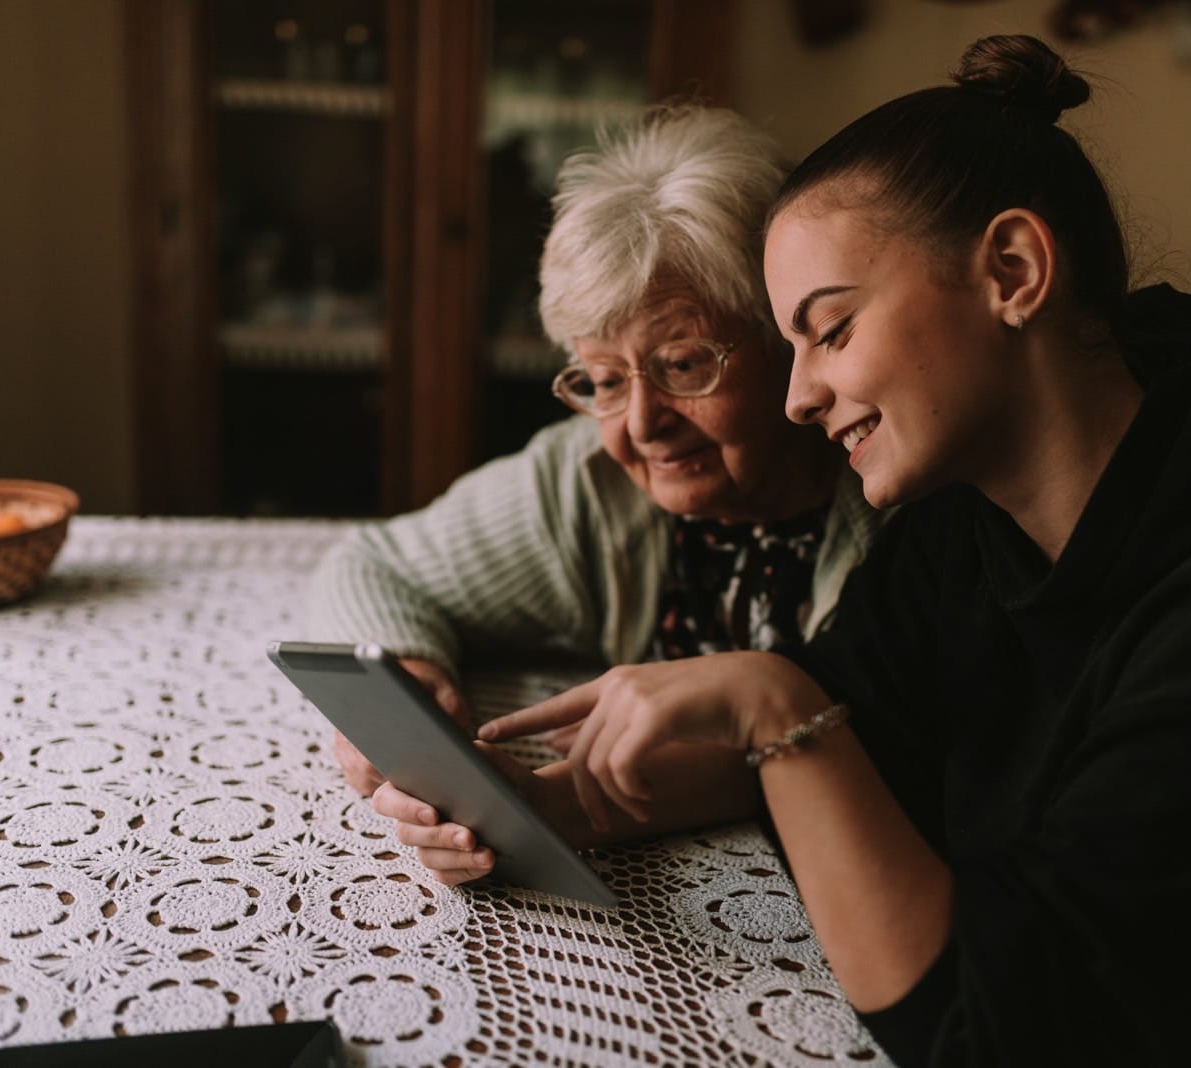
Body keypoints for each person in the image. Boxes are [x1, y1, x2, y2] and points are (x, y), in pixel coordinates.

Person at [470, 35, 1191, 1066]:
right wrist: (526, 808)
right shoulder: (967, 521)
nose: (797, 396)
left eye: (828, 331)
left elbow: (991, 1037)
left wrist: (774, 707)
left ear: (1012, 272)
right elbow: (854, 718)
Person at [307, 105, 884, 867]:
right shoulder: (586, 482)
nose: (641, 425)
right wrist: (409, 678)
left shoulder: (891, 497)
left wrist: (578, 798)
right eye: (604, 380)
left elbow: (886, 735)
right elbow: (374, 565)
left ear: (788, 337)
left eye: (683, 365)